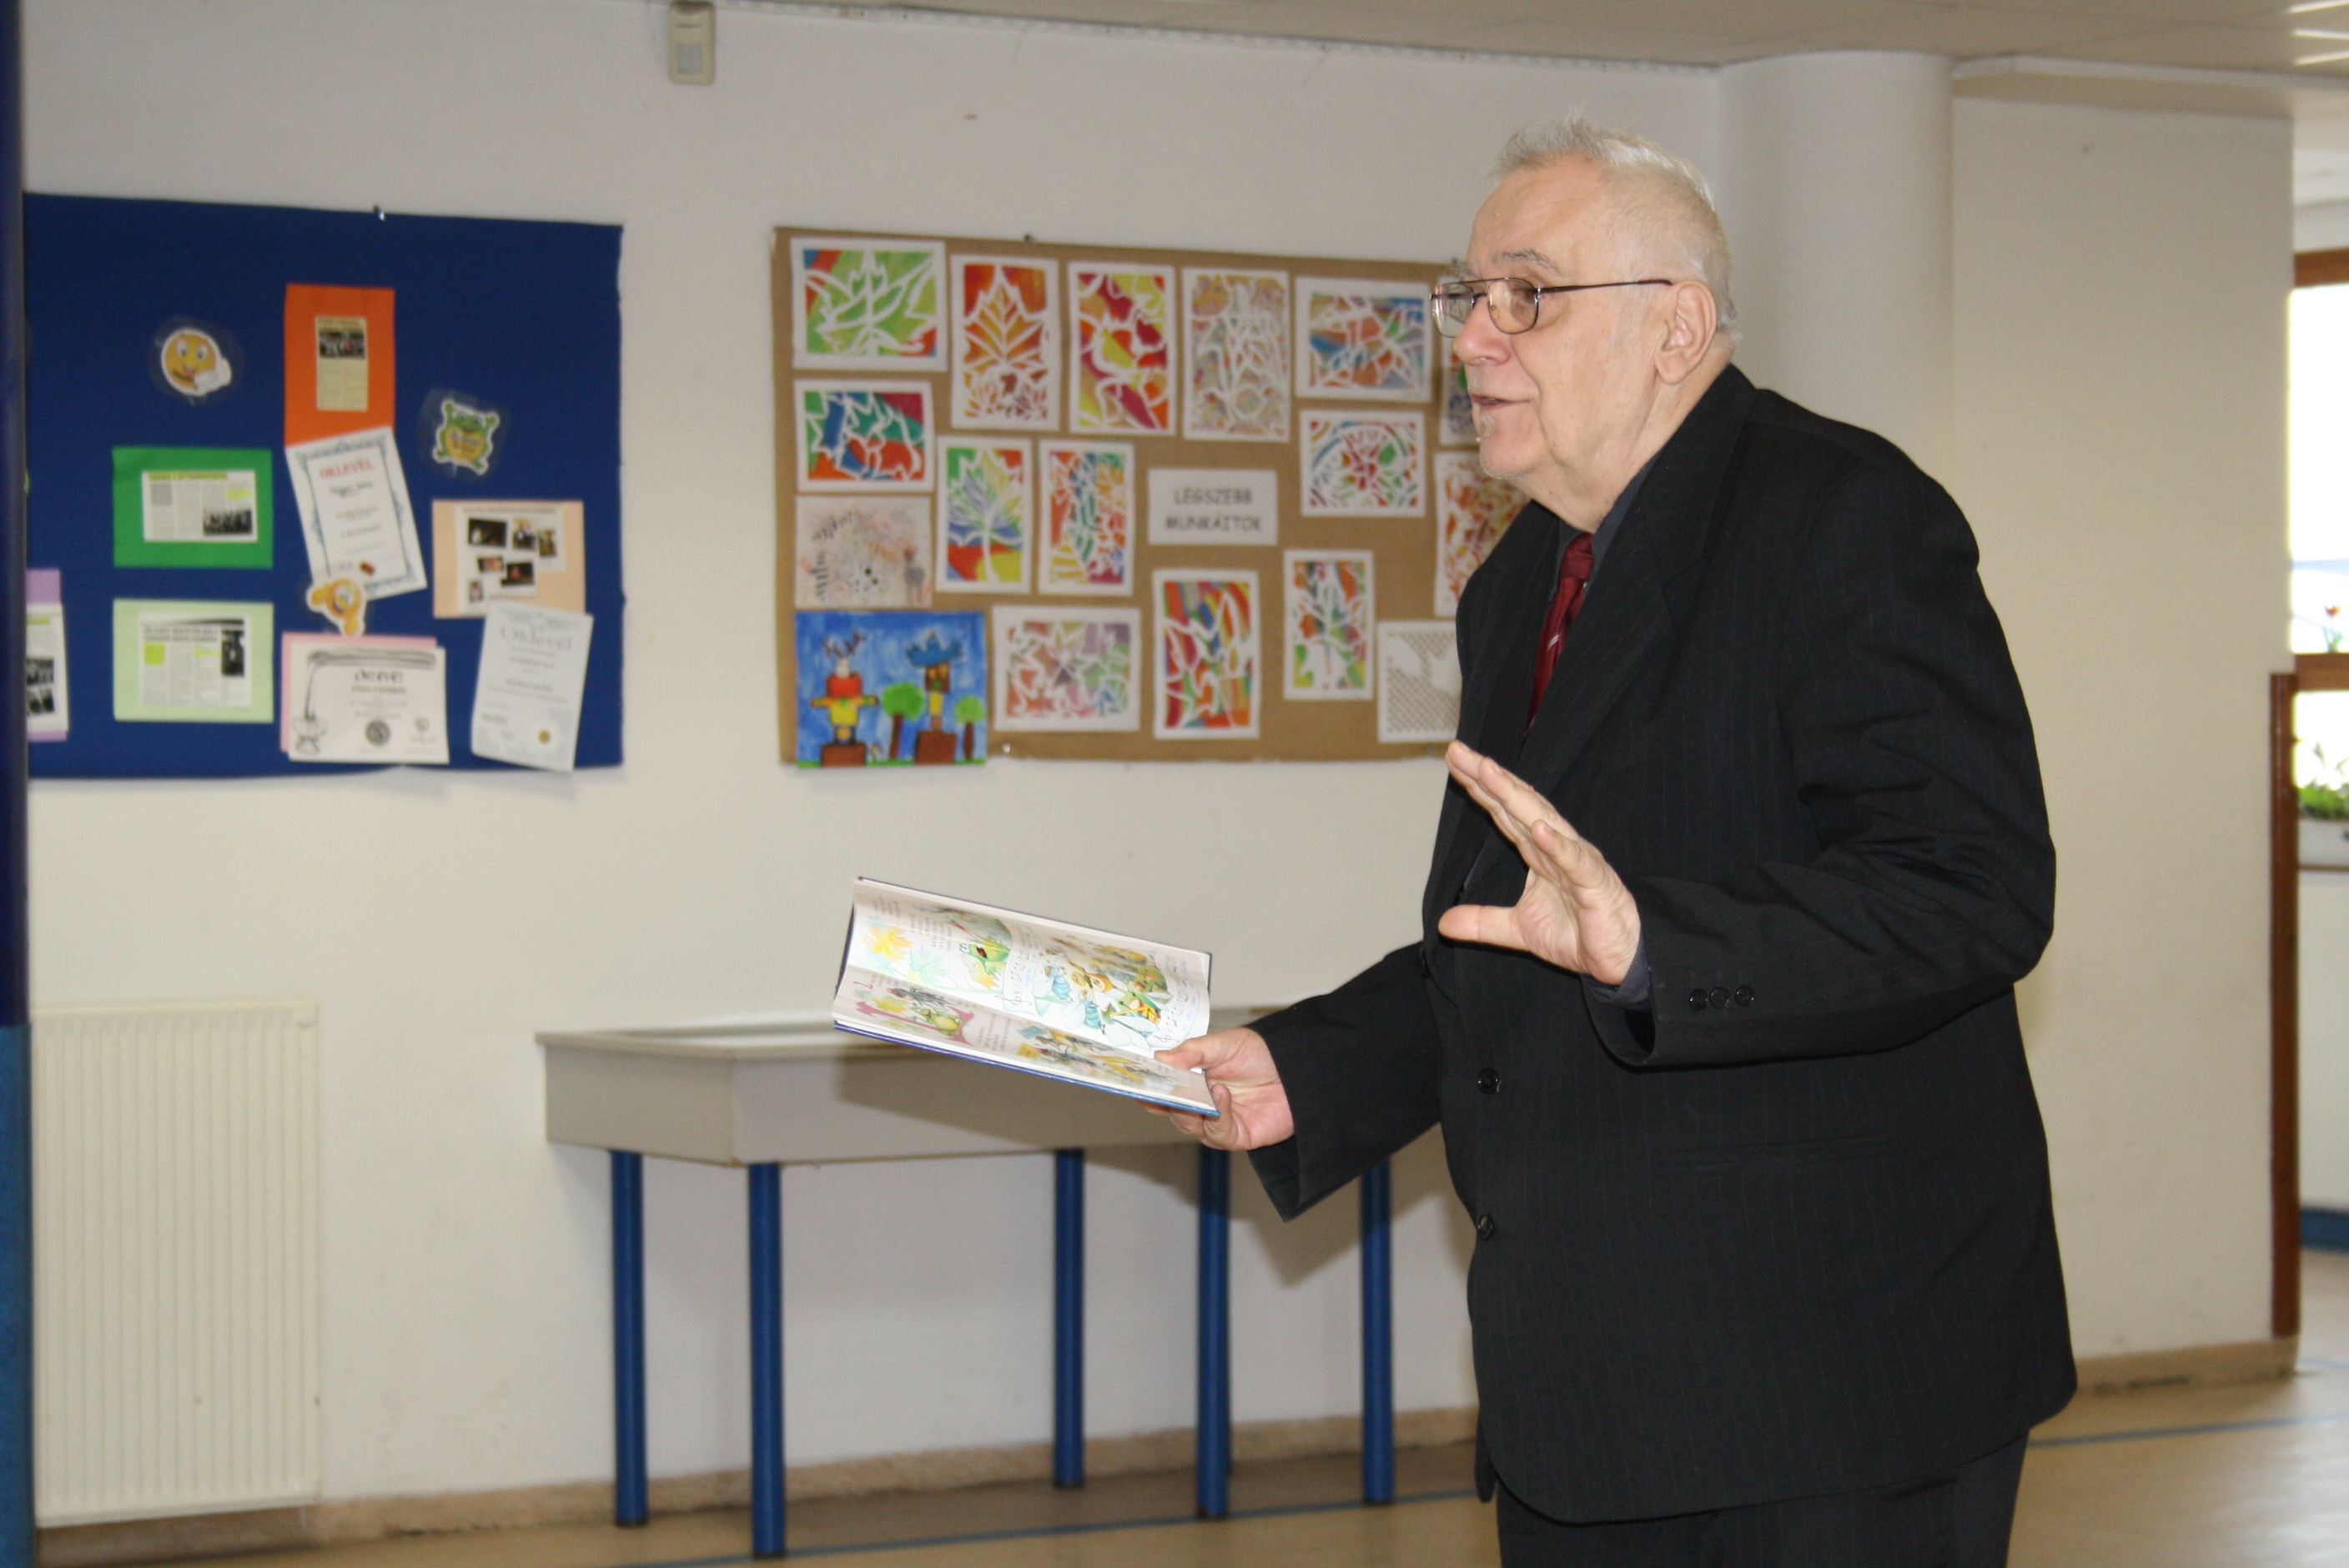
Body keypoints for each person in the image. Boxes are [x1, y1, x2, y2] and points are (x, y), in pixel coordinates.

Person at [1154, 119, 2073, 1567]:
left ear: (1676, 328)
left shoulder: (1847, 516)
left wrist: (1658, 947)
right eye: (1467, 297)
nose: (1474, 340)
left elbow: (1969, 891)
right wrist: (1305, 1071)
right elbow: (1508, 934)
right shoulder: (1522, 578)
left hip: (1835, 1394)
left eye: (1525, 294)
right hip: (1587, 1399)